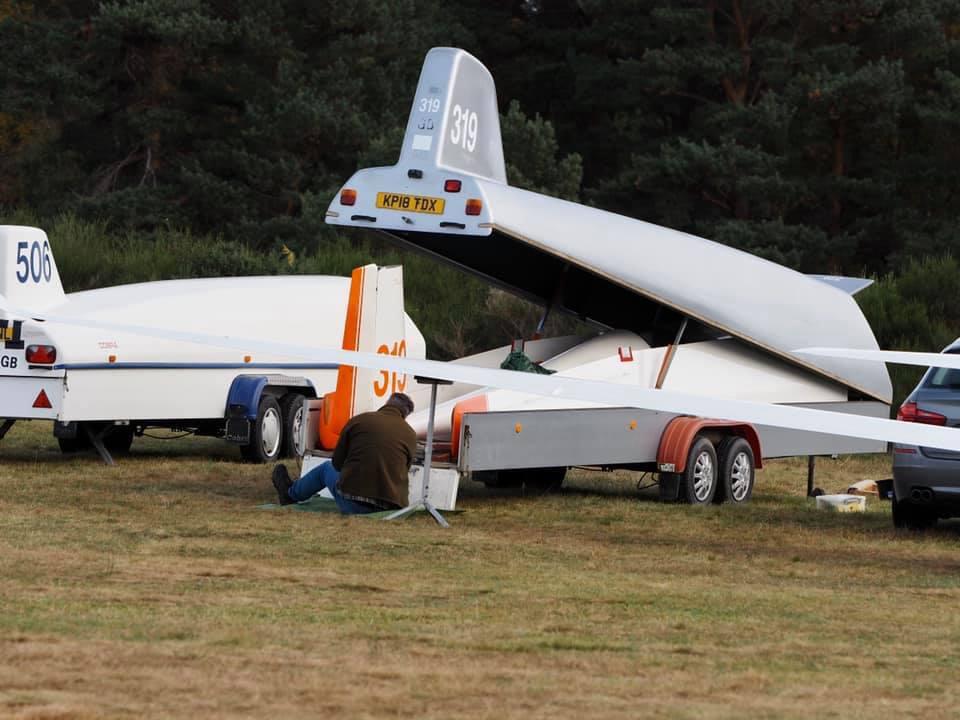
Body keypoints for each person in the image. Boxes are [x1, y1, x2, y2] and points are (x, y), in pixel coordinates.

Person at [271, 392, 417, 514]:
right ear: (406, 414)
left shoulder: (360, 420)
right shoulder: (410, 434)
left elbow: (337, 463)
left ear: (386, 403)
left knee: (326, 469)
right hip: (391, 508)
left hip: (355, 505)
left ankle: (290, 494)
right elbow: (405, 469)